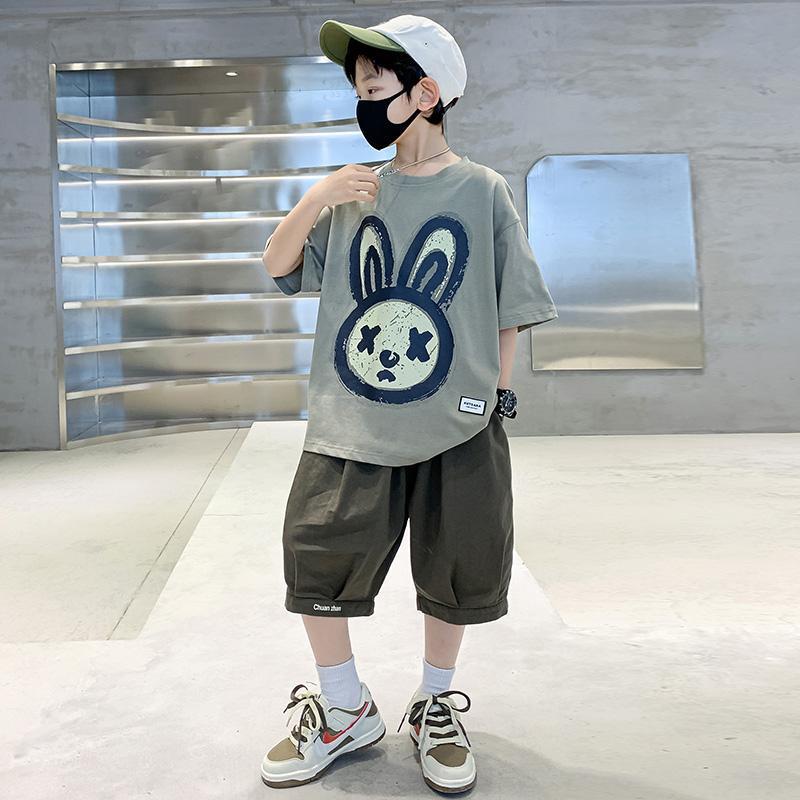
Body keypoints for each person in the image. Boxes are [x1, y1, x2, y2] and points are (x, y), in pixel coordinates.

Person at [259, 14, 558, 794]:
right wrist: (319, 195)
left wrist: (494, 399)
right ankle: (343, 707)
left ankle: (435, 703)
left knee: (459, 562)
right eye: (359, 90)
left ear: (425, 94)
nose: (363, 102)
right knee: (316, 555)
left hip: (457, 420)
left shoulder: (482, 191)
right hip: (351, 419)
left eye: (373, 88)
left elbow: (510, 304)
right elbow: (278, 263)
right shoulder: (354, 191)